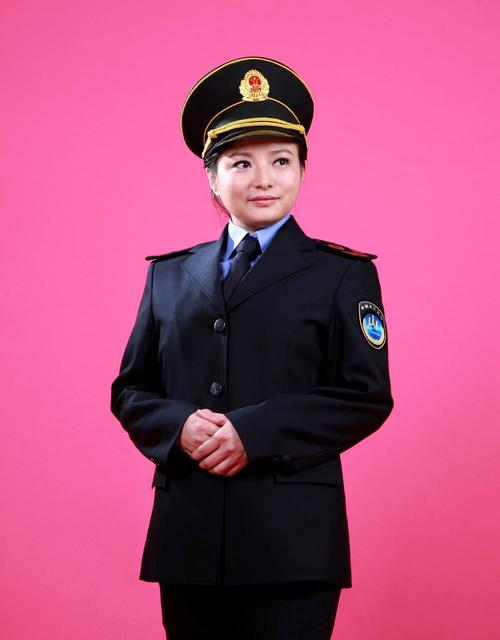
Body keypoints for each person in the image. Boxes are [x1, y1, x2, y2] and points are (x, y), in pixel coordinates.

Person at [110, 56, 394, 640]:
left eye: (281, 161)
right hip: (188, 537)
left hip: (293, 542)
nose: (264, 178)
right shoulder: (169, 275)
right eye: (241, 163)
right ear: (212, 178)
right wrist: (179, 426)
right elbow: (131, 390)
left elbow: (364, 397)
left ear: (303, 170)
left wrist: (254, 433)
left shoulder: (342, 274)